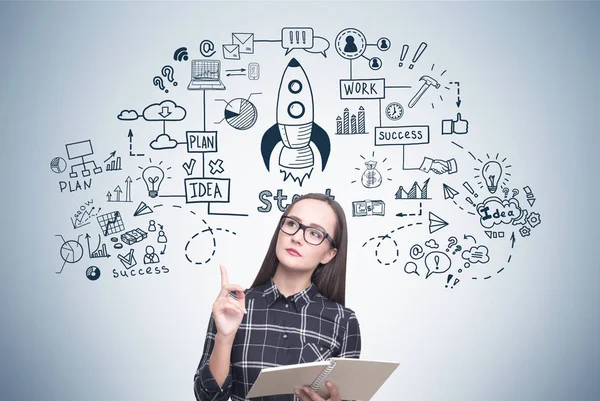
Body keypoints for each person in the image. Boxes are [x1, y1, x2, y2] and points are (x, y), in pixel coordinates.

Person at [193, 193, 361, 401]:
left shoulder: (343, 322)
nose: (297, 237)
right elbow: (207, 398)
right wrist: (225, 338)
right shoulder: (233, 307)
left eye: (315, 233)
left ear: (329, 254)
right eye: (292, 224)